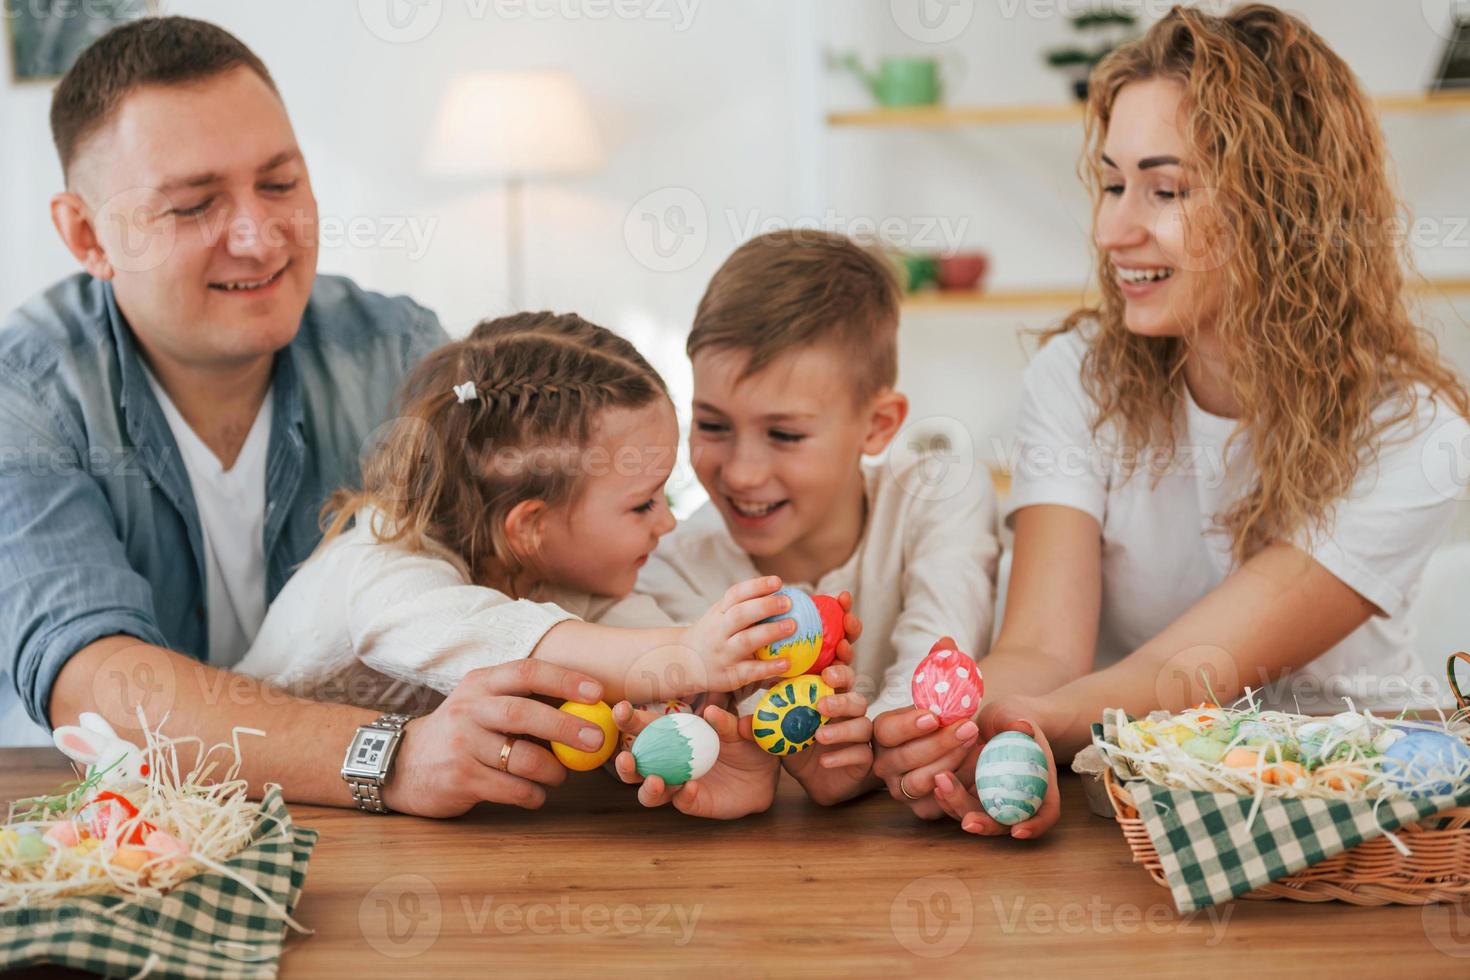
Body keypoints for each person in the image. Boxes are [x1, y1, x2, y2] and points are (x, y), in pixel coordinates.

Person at [875, 3, 1470, 838]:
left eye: (1165, 188)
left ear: (1282, 207)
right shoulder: (1076, 378)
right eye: (1113, 183)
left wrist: (1035, 722)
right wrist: (968, 728)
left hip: (1350, 824)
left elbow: (1187, 671)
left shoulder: (1416, 434)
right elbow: (1044, 648)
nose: (1112, 228)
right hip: (1140, 805)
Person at [0, 16, 611, 819]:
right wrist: (388, 757)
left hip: (390, 841)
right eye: (192, 206)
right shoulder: (28, 395)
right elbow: (97, 686)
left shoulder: (400, 351)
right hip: (98, 833)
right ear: (87, 235)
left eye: (281, 183)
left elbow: (525, 571)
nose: (259, 238)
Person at [637, 229, 1003, 807]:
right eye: (712, 425)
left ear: (878, 425)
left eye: (784, 434)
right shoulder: (674, 568)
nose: (743, 472)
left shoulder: (937, 493)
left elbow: (935, 670)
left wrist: (873, 741)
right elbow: (732, 738)